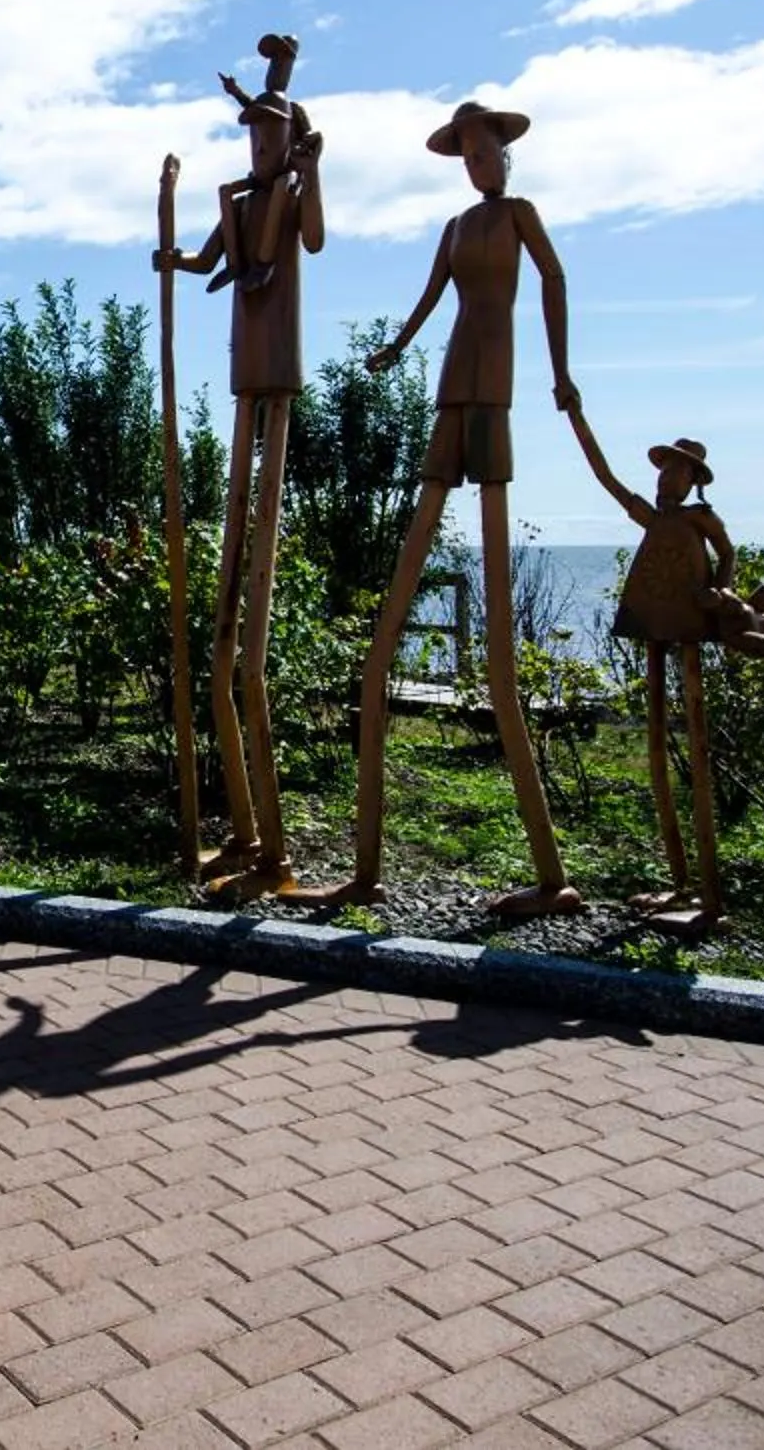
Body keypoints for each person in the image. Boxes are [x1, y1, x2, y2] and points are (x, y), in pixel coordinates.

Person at [281, 99, 580, 915]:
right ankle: (368, 868)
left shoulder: (520, 216)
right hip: (453, 391)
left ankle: (551, 878)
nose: (483, 165)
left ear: (506, 159)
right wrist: (395, 347)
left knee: (499, 660)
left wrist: (561, 372)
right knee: (384, 644)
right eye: (471, 156)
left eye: (489, 153)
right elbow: (427, 300)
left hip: (497, 399)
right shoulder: (454, 228)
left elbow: (554, 282)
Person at [155, 33, 325, 895]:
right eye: (252, 137)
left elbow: (318, 240)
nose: (258, 149)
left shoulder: (291, 195)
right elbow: (211, 261)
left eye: (272, 137)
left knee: (248, 644)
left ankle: (275, 851)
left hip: (278, 374)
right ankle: (246, 832)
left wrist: (312, 170)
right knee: (221, 642)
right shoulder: (235, 198)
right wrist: (173, 260)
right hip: (239, 376)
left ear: (288, 142)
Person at [565, 420, 764, 927]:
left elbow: (729, 554)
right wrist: (579, 423)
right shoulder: (653, 519)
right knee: (654, 745)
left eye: (676, 471)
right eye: (663, 470)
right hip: (653, 613)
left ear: (692, 479)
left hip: (690, 618)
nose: (665, 478)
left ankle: (708, 894)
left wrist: (718, 591)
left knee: (693, 735)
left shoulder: (700, 518)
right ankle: (677, 883)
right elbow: (608, 480)